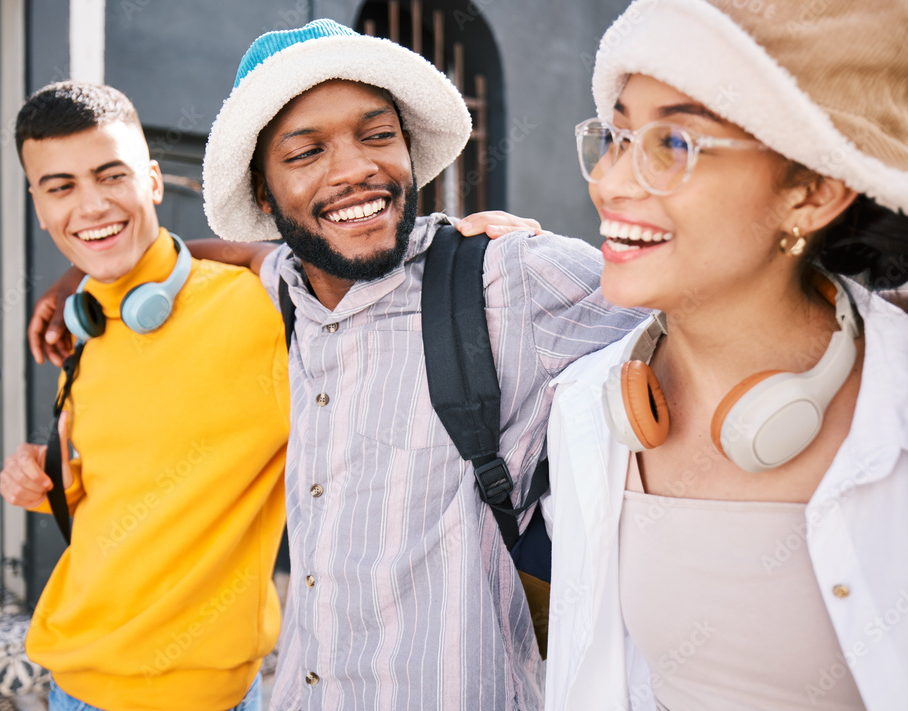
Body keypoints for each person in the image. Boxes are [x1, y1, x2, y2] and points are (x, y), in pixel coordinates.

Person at [198, 20, 646, 711]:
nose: (353, 169)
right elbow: (254, 256)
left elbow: (705, 315)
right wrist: (85, 285)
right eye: (306, 151)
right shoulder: (284, 290)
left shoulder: (509, 280)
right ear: (263, 194)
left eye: (377, 135)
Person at [541, 1, 908, 709]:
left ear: (814, 191)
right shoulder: (589, 407)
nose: (611, 183)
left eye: (674, 144)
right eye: (618, 135)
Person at [0, 81, 290, 711]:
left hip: (201, 694)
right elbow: (103, 484)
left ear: (153, 181)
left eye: (112, 176)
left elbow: (363, 269)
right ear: (39, 206)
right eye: (61, 188)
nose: (91, 206)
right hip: (70, 681)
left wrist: (467, 246)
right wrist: (40, 475)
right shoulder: (84, 326)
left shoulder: (254, 309)